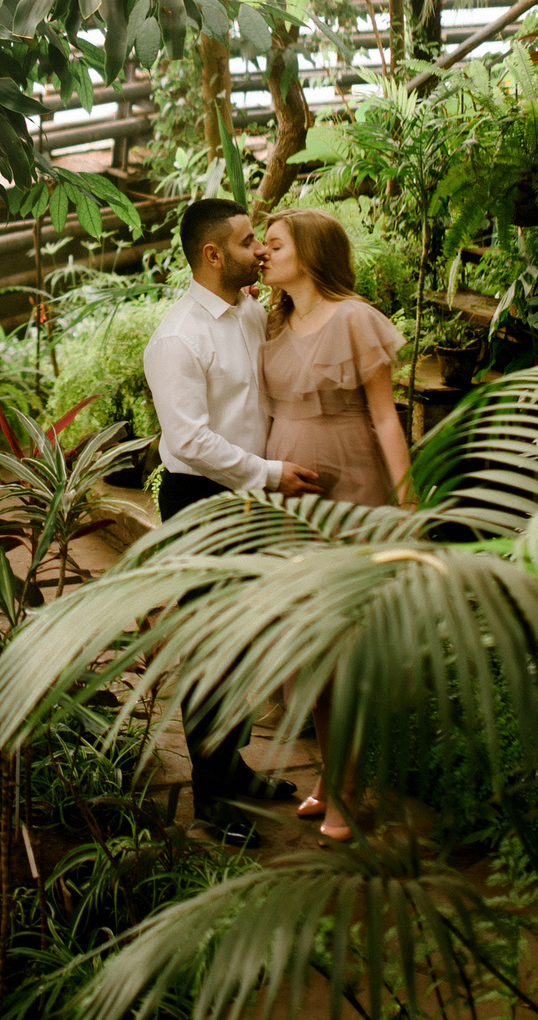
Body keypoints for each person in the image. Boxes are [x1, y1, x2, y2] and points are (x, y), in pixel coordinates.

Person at [141, 197, 321, 835]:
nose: (261, 250)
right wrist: (271, 474)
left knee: (244, 642)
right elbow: (187, 441)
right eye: (250, 243)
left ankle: (233, 764)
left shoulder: (250, 312)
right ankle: (211, 796)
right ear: (213, 255)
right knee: (211, 647)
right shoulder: (177, 338)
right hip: (201, 503)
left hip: (252, 498)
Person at [257, 206, 407, 842]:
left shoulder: (353, 318)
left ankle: (349, 787)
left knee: (343, 647)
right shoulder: (273, 324)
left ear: (310, 252)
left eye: (273, 243)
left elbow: (385, 416)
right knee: (301, 650)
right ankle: (328, 773)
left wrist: (406, 503)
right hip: (287, 491)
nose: (262, 254)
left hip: (351, 485)